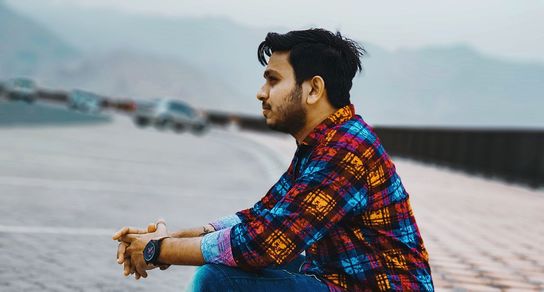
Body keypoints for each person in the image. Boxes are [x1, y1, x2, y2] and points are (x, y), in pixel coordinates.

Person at [113, 28, 434, 291]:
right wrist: (177, 237)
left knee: (220, 280)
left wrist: (158, 251)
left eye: (273, 80)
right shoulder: (323, 142)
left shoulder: (346, 149)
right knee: (226, 258)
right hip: (342, 276)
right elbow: (263, 217)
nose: (261, 93)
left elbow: (265, 243)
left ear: (313, 89)